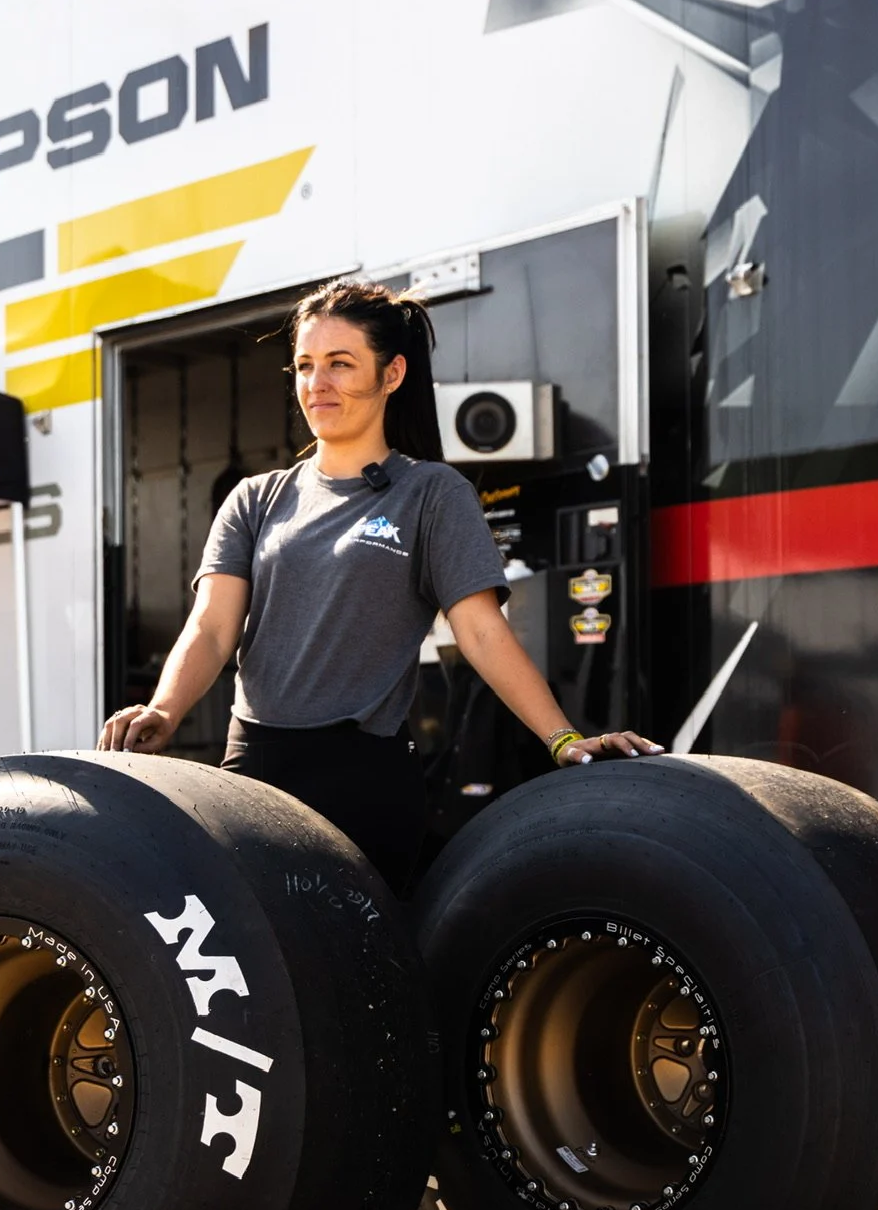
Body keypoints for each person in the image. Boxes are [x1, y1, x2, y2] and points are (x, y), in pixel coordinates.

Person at [97, 278, 661, 895]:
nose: (318, 383)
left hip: (363, 779)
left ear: (392, 374)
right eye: (306, 366)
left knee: (355, 977)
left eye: (341, 364)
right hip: (253, 767)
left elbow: (479, 631)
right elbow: (210, 628)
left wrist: (563, 739)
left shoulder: (432, 494)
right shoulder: (255, 500)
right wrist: (164, 708)